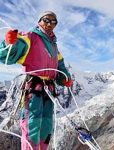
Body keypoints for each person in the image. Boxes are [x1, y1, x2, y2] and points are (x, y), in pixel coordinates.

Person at [0, 11, 72, 150]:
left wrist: (65, 79)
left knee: (46, 126)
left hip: (49, 91)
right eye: (46, 20)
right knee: (31, 125)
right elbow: (8, 55)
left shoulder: (54, 46)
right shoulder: (29, 38)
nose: (49, 24)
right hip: (33, 88)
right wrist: (9, 43)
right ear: (39, 21)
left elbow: (60, 66)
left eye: (53, 22)